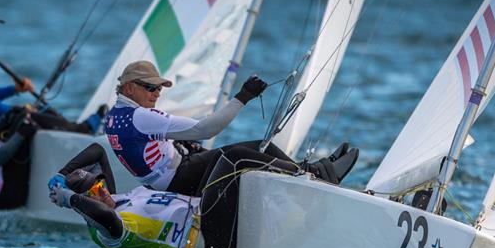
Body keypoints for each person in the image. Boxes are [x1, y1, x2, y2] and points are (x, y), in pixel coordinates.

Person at [104, 60, 359, 197]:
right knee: (238, 156)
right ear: (128, 88)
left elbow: (143, 147)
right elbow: (206, 130)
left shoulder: (115, 116)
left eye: (159, 88)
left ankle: (309, 174)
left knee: (259, 148)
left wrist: (179, 144)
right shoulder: (141, 117)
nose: (157, 93)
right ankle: (314, 175)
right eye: (150, 87)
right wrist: (243, 97)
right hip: (178, 180)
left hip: (168, 178)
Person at [48, 142, 300, 248]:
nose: (102, 190)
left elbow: (97, 151)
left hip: (210, 219)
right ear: (81, 206)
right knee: (234, 159)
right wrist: (68, 198)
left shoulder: (114, 197)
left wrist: (61, 175)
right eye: (93, 192)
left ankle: (310, 173)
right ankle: (307, 176)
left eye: (99, 183)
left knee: (252, 150)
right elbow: (101, 214)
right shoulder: (105, 231)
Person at [0, 3, 104, 137]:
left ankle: (75, 129)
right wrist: (16, 112)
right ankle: (83, 131)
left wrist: (13, 90)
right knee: (32, 114)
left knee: (29, 111)